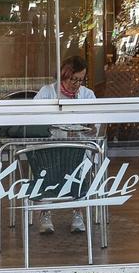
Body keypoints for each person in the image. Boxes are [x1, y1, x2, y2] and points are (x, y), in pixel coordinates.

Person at [33, 56, 95, 234]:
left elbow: (96, 123)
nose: (76, 84)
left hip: (77, 148)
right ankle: (45, 213)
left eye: (80, 80)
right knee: (46, 168)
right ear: (64, 75)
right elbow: (32, 119)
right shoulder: (47, 92)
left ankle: (77, 211)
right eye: (73, 79)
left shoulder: (87, 94)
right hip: (50, 148)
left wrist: (87, 126)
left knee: (80, 166)